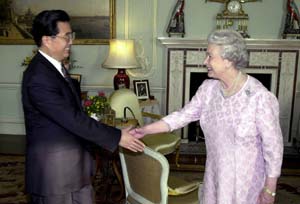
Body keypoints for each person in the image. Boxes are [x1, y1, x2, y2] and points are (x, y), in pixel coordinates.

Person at [130, 29, 283, 204]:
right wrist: (145, 130)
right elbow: (181, 116)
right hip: (214, 175)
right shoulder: (208, 89)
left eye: (210, 56)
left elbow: (274, 147)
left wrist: (270, 189)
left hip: (245, 184)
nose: (205, 61)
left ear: (228, 60)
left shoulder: (259, 97)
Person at [21, 10, 144, 204]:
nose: (71, 41)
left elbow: (74, 116)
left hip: (74, 169)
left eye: (72, 35)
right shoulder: (38, 76)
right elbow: (71, 119)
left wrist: (115, 130)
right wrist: (117, 136)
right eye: (66, 36)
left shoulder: (55, 68)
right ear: (47, 40)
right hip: (56, 175)